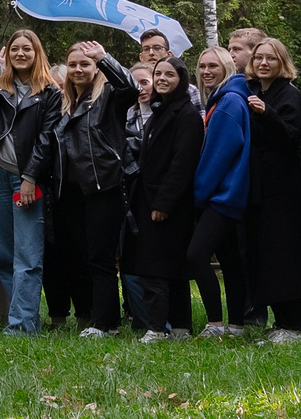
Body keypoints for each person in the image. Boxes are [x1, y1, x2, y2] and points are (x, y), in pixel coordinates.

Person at [0, 23, 60, 336]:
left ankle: (21, 325)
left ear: (37, 54)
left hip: (26, 179)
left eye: (27, 48)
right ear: (7, 54)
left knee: (28, 255)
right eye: (15, 49)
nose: (20, 53)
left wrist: (29, 177)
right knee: (6, 256)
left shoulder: (50, 92)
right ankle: (25, 320)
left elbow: (47, 139)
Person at [51, 39, 137, 337]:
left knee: (101, 258)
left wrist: (104, 57)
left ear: (95, 68)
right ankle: (89, 317)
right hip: (70, 192)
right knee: (80, 257)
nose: (77, 69)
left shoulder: (109, 95)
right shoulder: (62, 101)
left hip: (104, 186)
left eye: (84, 64)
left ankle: (107, 324)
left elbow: (132, 88)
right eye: (72, 64)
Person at [125, 54, 202, 341]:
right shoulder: (160, 110)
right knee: (166, 265)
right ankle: (178, 327)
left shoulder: (186, 115)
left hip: (168, 203)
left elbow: (183, 163)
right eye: (159, 74)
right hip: (150, 199)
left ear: (181, 80)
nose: (162, 80)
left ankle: (159, 328)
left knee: (159, 267)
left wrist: (163, 203)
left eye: (169, 75)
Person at [242, 36, 301, 343]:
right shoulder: (255, 90)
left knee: (284, 252)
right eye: (259, 58)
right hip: (260, 186)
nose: (264, 63)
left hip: (283, 187)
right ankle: (278, 321)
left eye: (270, 58)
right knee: (266, 253)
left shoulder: (289, 94)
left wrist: (266, 113)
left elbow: (291, 139)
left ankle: (292, 325)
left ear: (283, 63)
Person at [189, 46, 251, 336]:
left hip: (222, 195)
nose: (206, 72)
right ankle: (236, 324)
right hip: (226, 194)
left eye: (213, 66)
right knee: (231, 261)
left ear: (227, 68)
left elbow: (218, 154)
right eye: (202, 66)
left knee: (196, 254)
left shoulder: (228, 103)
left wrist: (199, 194)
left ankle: (215, 322)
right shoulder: (225, 99)